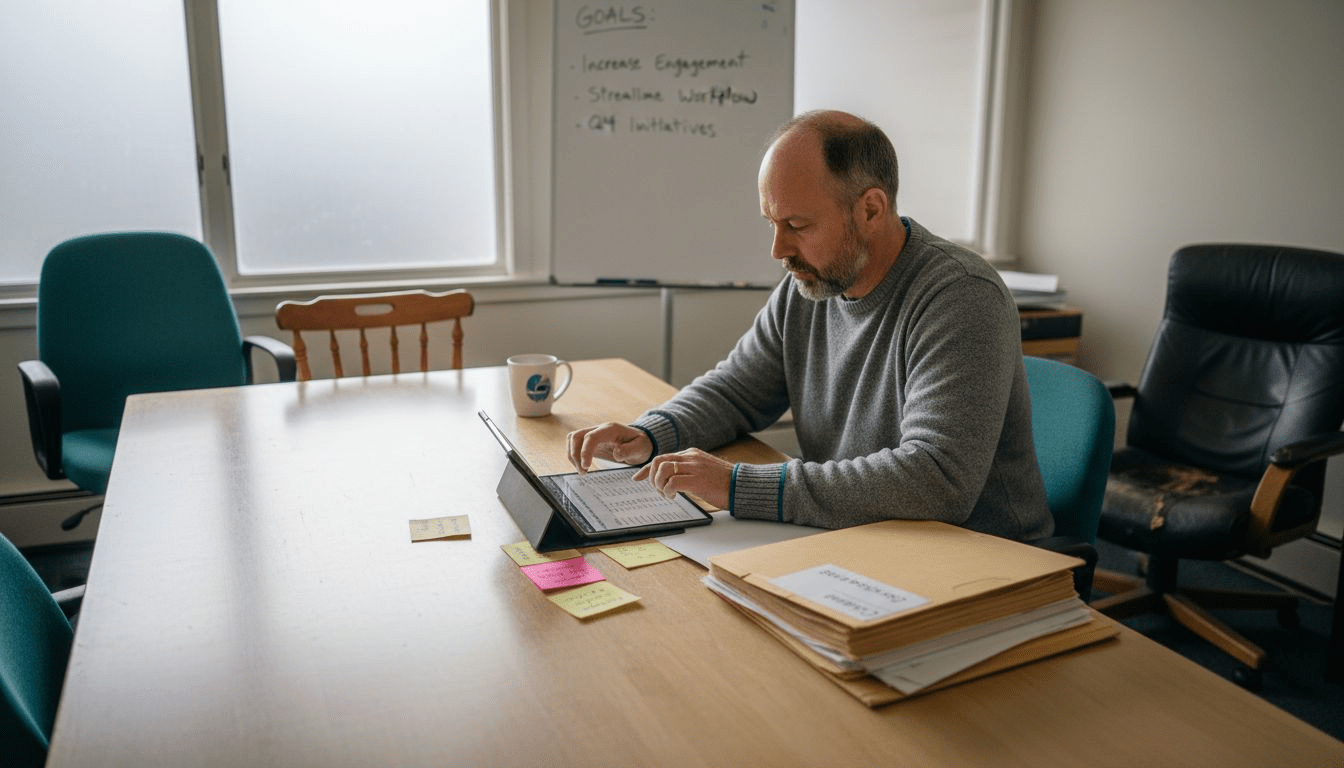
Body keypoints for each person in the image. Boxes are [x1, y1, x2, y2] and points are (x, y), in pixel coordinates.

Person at [567, 110, 1051, 542]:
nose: (778, 250)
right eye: (771, 223)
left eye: (797, 225)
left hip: (982, 559)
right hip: (866, 537)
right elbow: (736, 390)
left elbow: (936, 479)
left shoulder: (961, 295)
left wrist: (736, 486)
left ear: (871, 210)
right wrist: (650, 434)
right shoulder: (812, 283)